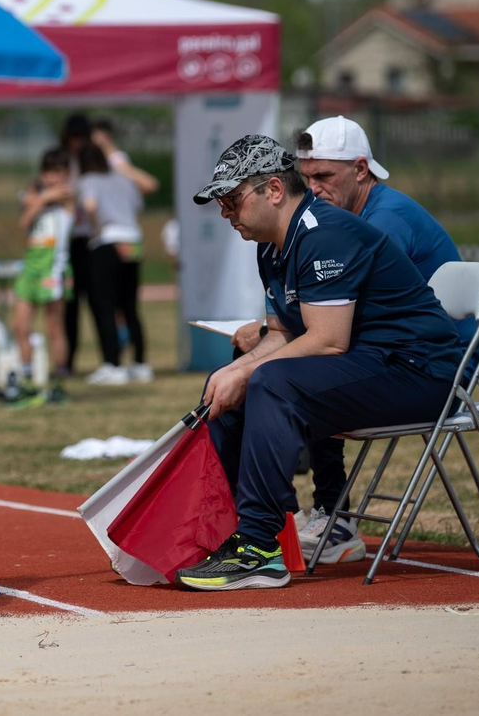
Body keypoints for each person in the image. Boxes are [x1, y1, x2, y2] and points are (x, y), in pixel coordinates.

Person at [174, 136, 463, 592]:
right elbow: (283, 335)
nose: (225, 213)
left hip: (422, 373)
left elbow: (328, 341)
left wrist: (248, 372)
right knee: (231, 379)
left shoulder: (324, 233)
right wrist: (232, 372)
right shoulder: (270, 244)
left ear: (273, 189)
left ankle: (260, 546)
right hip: (375, 363)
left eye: (231, 199)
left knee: (269, 382)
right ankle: (231, 531)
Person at [277, 115, 469, 564]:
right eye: (305, 178)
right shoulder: (344, 218)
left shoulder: (384, 221)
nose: (313, 189)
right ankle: (297, 509)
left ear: (360, 170)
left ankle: (331, 512)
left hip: (437, 368)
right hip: (397, 354)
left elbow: (346, 314)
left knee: (311, 371)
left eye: (324, 176)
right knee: (300, 365)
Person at [78, 138, 158, 386]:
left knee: (105, 306)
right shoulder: (122, 179)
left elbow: (90, 205)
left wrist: (94, 227)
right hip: (132, 240)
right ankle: (140, 363)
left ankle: (112, 364)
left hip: (106, 241)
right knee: (130, 306)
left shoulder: (88, 180)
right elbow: (142, 195)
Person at [12, 148, 76, 382]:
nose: (52, 178)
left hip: (53, 268)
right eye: (48, 173)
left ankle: (60, 373)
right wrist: (34, 200)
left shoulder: (66, 195)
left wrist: (34, 197)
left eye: (58, 173)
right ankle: (27, 374)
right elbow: (24, 224)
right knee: (19, 325)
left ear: (67, 174)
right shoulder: (37, 197)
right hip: (30, 267)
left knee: (54, 327)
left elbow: (57, 194)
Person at [58, 114, 94, 371]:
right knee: (69, 305)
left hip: (89, 239)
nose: (77, 143)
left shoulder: (94, 163)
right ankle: (67, 361)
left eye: (82, 138)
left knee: (97, 302)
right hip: (67, 240)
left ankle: (109, 360)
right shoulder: (61, 164)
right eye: (74, 138)